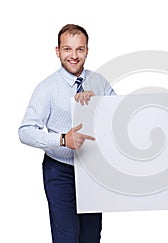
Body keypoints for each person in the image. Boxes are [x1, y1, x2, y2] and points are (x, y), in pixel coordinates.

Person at [18, 24, 115, 243]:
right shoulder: (47, 88)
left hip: (92, 171)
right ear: (58, 51)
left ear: (87, 51)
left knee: (91, 236)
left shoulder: (99, 82)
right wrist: (62, 139)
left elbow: (117, 121)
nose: (73, 55)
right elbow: (25, 131)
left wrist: (99, 104)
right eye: (67, 49)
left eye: (80, 49)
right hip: (59, 171)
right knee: (67, 237)